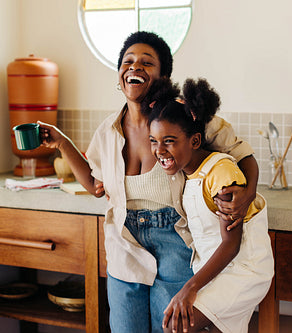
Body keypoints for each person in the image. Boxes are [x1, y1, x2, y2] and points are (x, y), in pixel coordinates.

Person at [38, 31, 260, 332]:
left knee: (169, 327)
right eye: (127, 61)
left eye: (146, 62)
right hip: (124, 243)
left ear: (164, 76)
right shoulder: (107, 131)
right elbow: (95, 185)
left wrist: (247, 192)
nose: (135, 66)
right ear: (119, 77)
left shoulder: (187, 119)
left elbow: (244, 156)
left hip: (176, 241)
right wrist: (63, 143)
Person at [146, 77, 274, 333]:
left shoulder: (221, 174)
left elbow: (231, 245)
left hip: (242, 271)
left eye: (169, 141)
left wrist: (188, 288)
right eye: (153, 140)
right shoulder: (187, 172)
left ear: (194, 141)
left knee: (177, 325)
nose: (159, 150)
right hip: (218, 269)